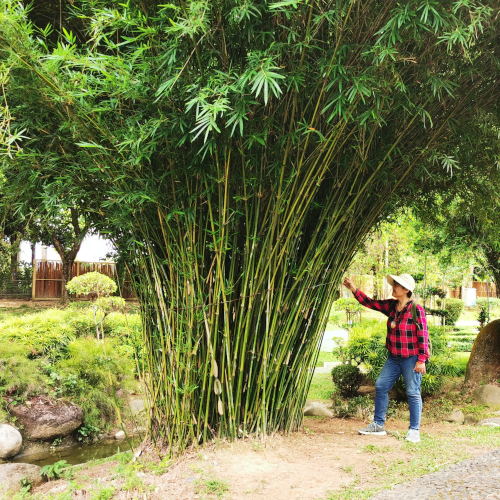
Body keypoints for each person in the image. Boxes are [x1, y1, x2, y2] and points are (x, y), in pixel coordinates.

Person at [343, 274, 429, 443]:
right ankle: (378, 425)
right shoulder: (391, 306)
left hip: (411, 359)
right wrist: (353, 288)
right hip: (394, 358)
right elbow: (369, 302)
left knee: (412, 392)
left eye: (396, 285)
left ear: (406, 290)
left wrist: (422, 359)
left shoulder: (416, 309)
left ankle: (414, 430)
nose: (393, 287)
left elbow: (423, 335)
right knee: (381, 385)